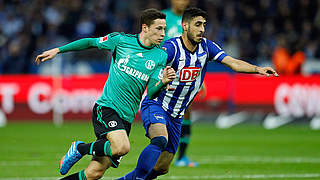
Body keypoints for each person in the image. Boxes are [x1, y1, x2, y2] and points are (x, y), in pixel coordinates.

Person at [118, 7, 278, 180]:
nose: (202, 29)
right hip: (156, 104)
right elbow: (152, 64)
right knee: (160, 139)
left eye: (204, 25)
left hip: (177, 114)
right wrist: (160, 77)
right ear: (185, 26)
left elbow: (233, 63)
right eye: (198, 24)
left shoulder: (207, 47)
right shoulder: (171, 47)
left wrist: (258, 69)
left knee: (162, 167)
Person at [35, 8, 176, 180]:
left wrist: (162, 82)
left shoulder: (160, 55)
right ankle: (80, 149)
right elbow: (90, 42)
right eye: (158, 28)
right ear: (145, 28)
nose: (163, 34)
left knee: (94, 173)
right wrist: (58, 50)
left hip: (126, 118)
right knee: (122, 147)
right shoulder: (120, 40)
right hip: (107, 108)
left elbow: (152, 92)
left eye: (164, 29)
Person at [162, 0, 200, 168]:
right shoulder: (163, 17)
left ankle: (182, 157)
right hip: (166, 73)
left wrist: (199, 76)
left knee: (187, 112)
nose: (183, 2)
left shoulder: (191, 20)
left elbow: (197, 48)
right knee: (162, 113)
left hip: (187, 74)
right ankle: (161, 152)